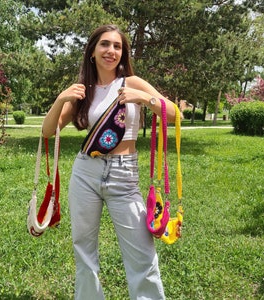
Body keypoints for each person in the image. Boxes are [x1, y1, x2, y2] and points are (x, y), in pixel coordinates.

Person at [42, 24, 176, 300]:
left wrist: (144, 98)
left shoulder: (133, 83)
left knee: (142, 253)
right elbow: (47, 131)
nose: (111, 51)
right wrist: (60, 100)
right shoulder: (83, 91)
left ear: (123, 53)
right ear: (92, 51)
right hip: (85, 174)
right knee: (84, 249)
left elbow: (173, 114)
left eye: (117, 46)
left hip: (123, 175)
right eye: (104, 44)